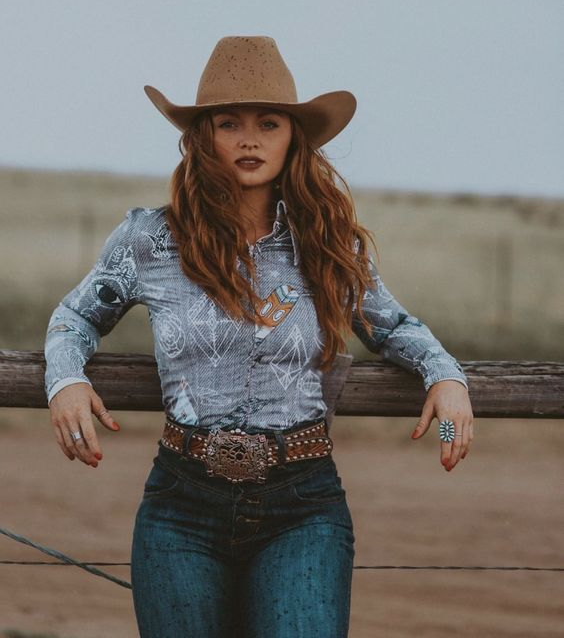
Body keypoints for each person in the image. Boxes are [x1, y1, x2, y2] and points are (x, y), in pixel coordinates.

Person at [43, 35, 473, 638]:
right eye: (229, 123)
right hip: (181, 508)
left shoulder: (328, 244)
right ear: (202, 137)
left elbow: (398, 329)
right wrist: (65, 381)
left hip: (302, 508)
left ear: (293, 137)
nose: (249, 139)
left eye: (268, 123)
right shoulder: (150, 240)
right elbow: (73, 318)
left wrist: (449, 384)